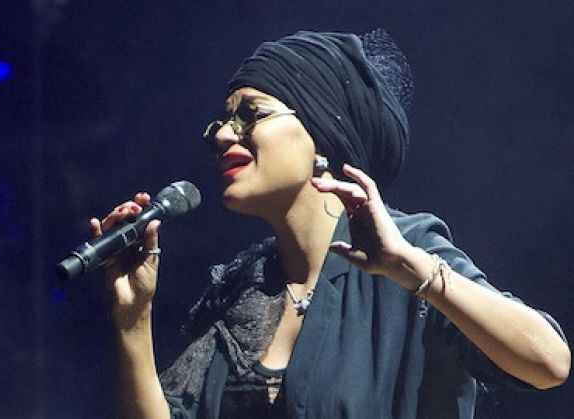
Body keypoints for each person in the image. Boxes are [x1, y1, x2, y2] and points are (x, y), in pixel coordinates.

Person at [89, 29, 570, 419]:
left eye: (250, 114)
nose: (220, 134)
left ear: (323, 137)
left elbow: (548, 363)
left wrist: (411, 268)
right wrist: (133, 322)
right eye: (220, 121)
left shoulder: (411, 248)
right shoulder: (239, 289)